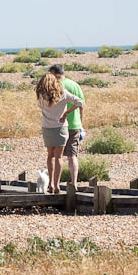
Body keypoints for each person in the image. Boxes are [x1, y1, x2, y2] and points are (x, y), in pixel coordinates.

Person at [35, 64, 84, 194]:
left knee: (50, 155)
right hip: (61, 127)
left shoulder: (41, 96)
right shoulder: (62, 93)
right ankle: (57, 185)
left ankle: (50, 183)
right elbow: (80, 102)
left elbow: (40, 106)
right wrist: (66, 113)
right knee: (59, 157)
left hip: (47, 127)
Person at [57, 65, 87, 186]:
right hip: (74, 124)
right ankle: (74, 183)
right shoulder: (74, 85)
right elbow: (81, 104)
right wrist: (80, 123)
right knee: (72, 156)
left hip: (58, 124)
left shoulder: (56, 86)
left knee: (57, 156)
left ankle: (55, 183)